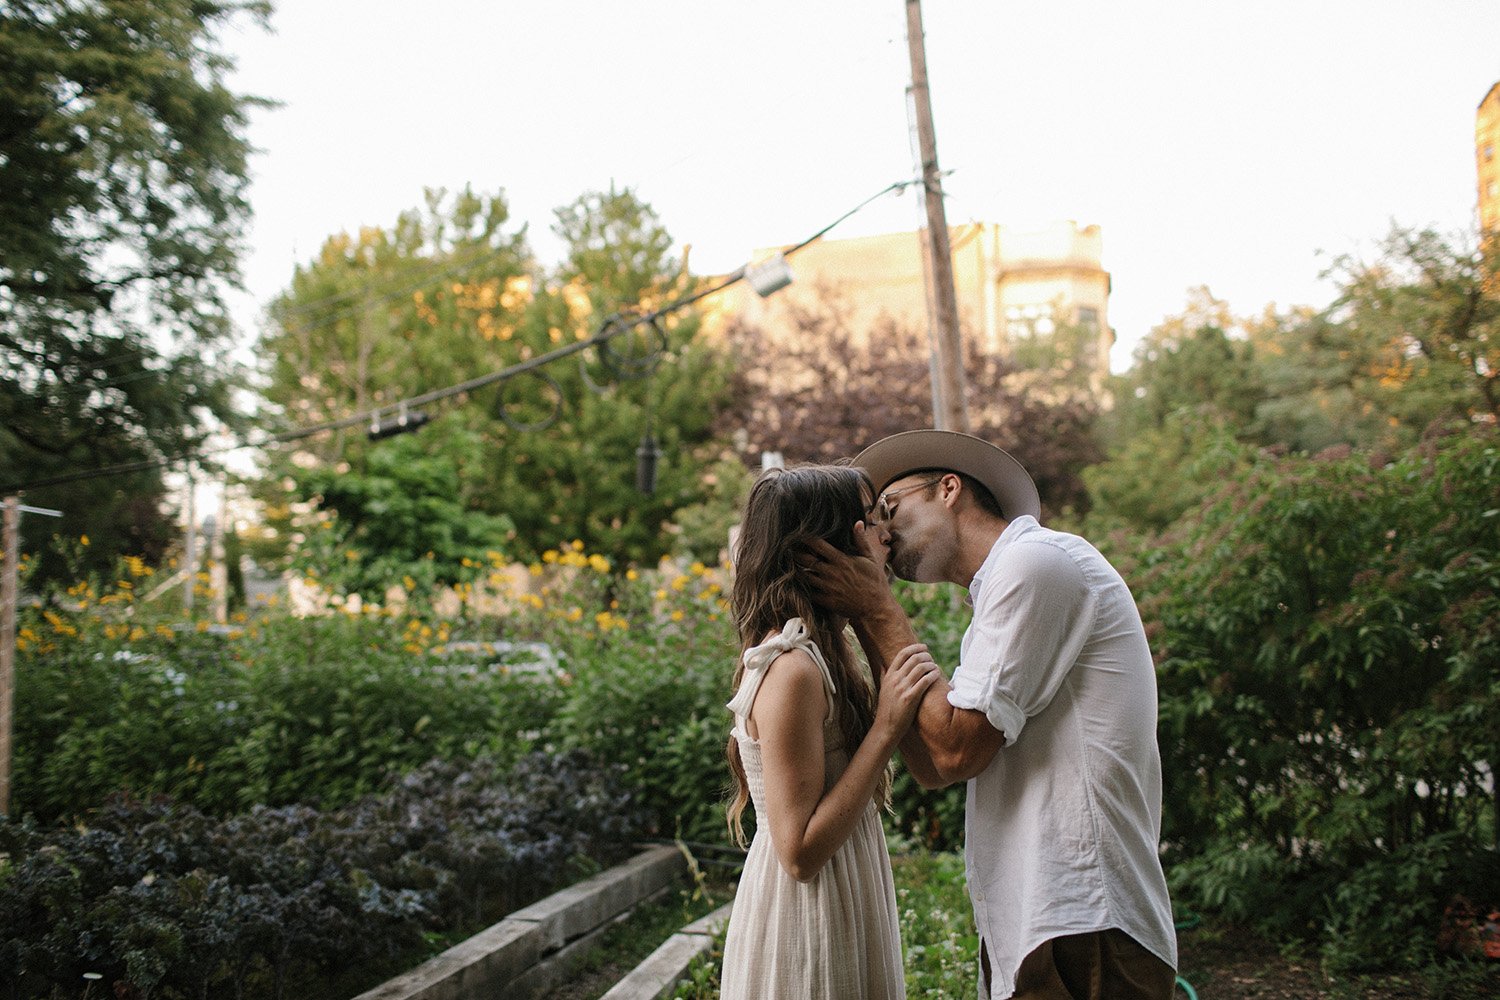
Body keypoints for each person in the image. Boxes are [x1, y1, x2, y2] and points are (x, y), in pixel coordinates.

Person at [798, 430, 1179, 1000]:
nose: (879, 533)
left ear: (949, 488)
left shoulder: (1036, 564)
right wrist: (863, 614)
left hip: (1085, 914)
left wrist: (877, 608)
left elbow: (956, 749)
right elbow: (932, 767)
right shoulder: (1000, 593)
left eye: (891, 509)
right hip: (1038, 913)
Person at [719, 464, 941, 1000]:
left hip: (840, 895)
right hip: (808, 916)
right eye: (870, 520)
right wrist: (886, 727)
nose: (887, 532)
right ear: (826, 547)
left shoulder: (824, 652)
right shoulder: (793, 669)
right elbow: (797, 854)